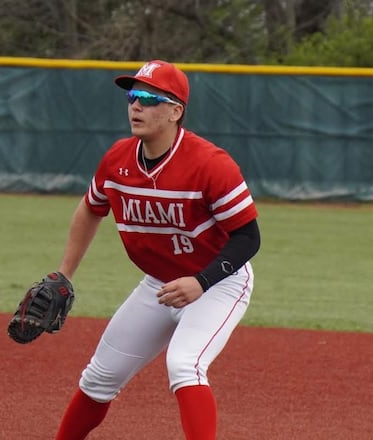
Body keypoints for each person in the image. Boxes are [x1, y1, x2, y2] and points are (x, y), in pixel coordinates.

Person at [52, 60, 261, 440]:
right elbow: (90, 208)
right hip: (159, 284)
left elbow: (249, 238)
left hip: (218, 283)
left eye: (149, 98)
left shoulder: (210, 164)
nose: (136, 106)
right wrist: (64, 272)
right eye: (133, 97)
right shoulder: (117, 160)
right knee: (100, 375)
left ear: (175, 111)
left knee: (184, 365)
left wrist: (201, 281)